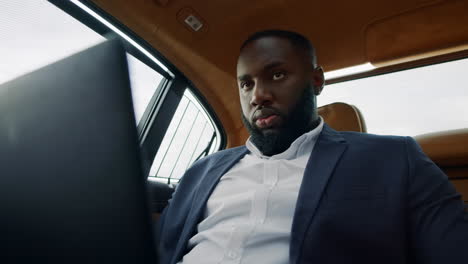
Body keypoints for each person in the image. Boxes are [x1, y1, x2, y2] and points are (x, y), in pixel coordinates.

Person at [156, 30, 468, 264]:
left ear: (316, 80)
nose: (258, 96)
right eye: (246, 84)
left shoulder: (396, 159)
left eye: (277, 75)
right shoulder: (201, 171)